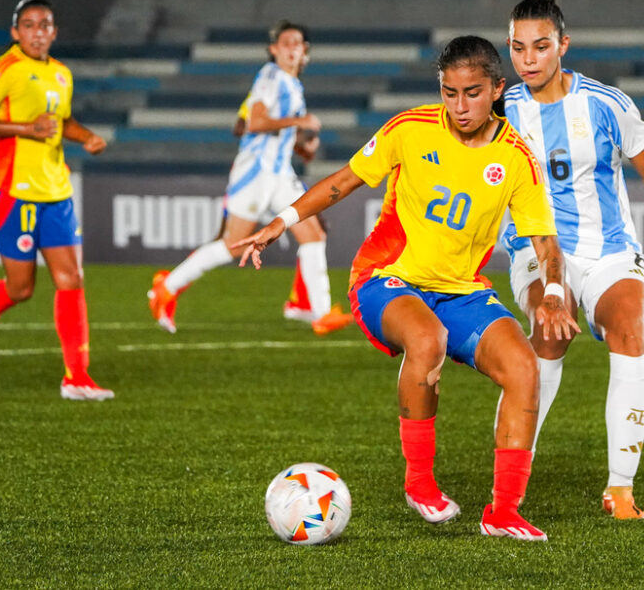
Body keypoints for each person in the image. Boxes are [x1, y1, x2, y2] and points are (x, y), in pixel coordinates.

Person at [235, 36, 580, 541]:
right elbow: (344, 181)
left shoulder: (516, 160)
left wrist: (552, 291)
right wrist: (282, 221)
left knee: (525, 368)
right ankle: (419, 482)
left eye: (472, 93)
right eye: (449, 93)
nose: (459, 106)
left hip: (461, 290)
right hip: (386, 278)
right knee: (427, 338)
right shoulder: (410, 129)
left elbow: (546, 242)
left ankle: (503, 512)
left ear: (497, 90)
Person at [501, 0, 644, 519]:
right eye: (518, 48)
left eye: (540, 46)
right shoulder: (501, 109)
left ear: (564, 45)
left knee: (632, 328)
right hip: (534, 250)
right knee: (548, 330)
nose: (528, 59)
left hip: (609, 248)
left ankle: (620, 487)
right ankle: (514, 473)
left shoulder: (606, 103)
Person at [147, 20, 353, 336]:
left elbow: (269, 127)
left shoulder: (292, 84)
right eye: (285, 43)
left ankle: (320, 313)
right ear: (274, 50)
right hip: (256, 173)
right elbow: (255, 123)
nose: (292, 48)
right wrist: (301, 121)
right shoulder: (270, 77)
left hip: (279, 173)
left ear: (305, 51)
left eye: (297, 43)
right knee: (232, 245)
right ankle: (167, 287)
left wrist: (301, 144)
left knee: (313, 234)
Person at [0, 0, 113, 400]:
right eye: (28, 25)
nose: (37, 32)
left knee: (72, 278)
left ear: (54, 31)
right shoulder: (4, 69)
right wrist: (24, 129)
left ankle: (77, 378)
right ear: (16, 32)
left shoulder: (62, 73)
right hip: (13, 192)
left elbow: (61, 121)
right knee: (20, 288)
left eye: (44, 25)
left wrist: (86, 137)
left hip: (55, 190)